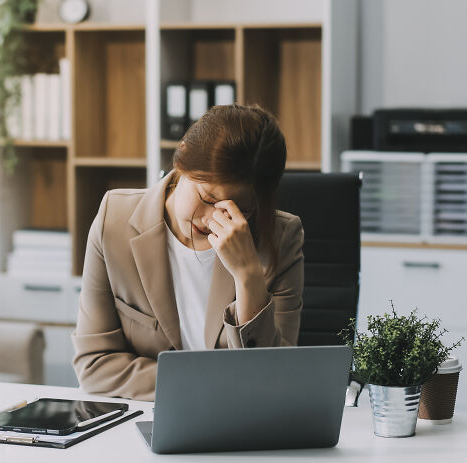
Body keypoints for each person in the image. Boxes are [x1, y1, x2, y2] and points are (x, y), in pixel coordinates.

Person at [72, 104, 304, 401]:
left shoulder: (282, 238)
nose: (211, 221)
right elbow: (94, 364)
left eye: (237, 211)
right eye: (206, 198)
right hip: (141, 420)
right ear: (183, 158)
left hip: (238, 428)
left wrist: (248, 278)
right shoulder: (113, 220)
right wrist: (200, 386)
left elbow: (276, 380)